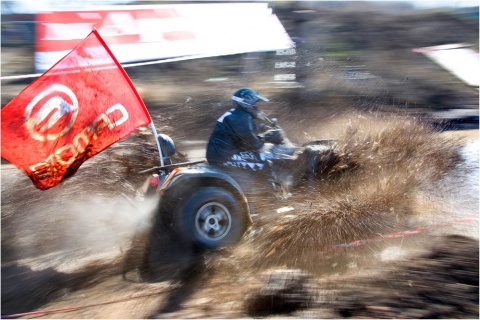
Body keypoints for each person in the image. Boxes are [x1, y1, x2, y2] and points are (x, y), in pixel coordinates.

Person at [206, 88, 282, 173]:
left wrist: (263, 132)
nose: (256, 106)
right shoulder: (241, 117)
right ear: (245, 102)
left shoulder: (237, 114)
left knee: (261, 156)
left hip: (221, 153)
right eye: (254, 103)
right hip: (224, 155)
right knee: (265, 160)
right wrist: (267, 137)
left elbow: (244, 140)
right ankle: (268, 186)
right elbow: (253, 144)